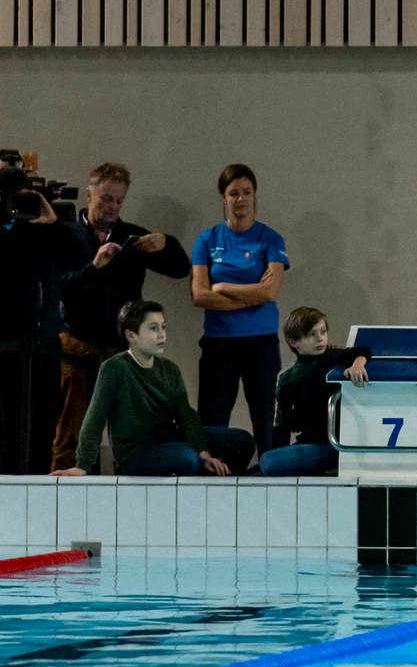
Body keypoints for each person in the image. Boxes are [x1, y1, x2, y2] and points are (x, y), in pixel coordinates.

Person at [0, 149, 87, 473]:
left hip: (38, 342)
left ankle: (31, 506)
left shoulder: (41, 227)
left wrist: (52, 224)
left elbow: (79, 258)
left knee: (37, 430)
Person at [52, 162, 191, 472]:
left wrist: (166, 243)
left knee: (130, 428)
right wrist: (94, 268)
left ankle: (124, 491)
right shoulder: (68, 235)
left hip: (121, 348)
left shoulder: (131, 237)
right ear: (89, 195)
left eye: (118, 200)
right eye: (105, 199)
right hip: (77, 344)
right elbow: (58, 288)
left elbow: (181, 268)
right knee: (70, 428)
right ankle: (63, 492)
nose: (112, 206)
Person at [52, 300, 254, 477]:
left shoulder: (169, 369)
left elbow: (186, 416)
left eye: (163, 327)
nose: (162, 335)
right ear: (131, 335)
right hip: (137, 452)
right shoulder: (115, 368)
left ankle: (219, 485)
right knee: (187, 459)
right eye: (153, 328)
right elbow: (95, 418)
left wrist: (204, 453)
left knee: (241, 441)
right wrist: (83, 465)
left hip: (169, 439)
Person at [190, 164, 289, 456]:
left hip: (261, 342)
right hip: (219, 342)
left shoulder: (271, 239)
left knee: (267, 419)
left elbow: (270, 291)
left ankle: (272, 471)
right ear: (224, 197)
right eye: (234, 193)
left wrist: (223, 288)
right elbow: (200, 295)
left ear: (255, 195)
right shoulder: (207, 240)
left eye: (247, 192)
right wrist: (252, 295)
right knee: (213, 419)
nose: (241, 199)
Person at [259, 306, 370, 476]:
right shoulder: (287, 378)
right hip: (310, 443)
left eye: (323, 332)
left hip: (334, 444)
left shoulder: (332, 357)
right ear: (294, 341)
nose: (320, 339)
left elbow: (363, 351)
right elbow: (282, 424)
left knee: (269, 462)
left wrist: (357, 364)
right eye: (312, 334)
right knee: (268, 462)